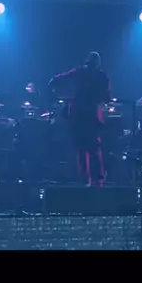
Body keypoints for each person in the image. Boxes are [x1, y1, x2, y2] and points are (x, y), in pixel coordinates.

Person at [49, 51, 111, 187]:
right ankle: (98, 178)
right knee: (94, 147)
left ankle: (86, 179)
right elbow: (107, 97)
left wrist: (60, 92)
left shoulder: (79, 72)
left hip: (78, 115)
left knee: (81, 148)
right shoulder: (101, 76)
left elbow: (56, 80)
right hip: (91, 115)